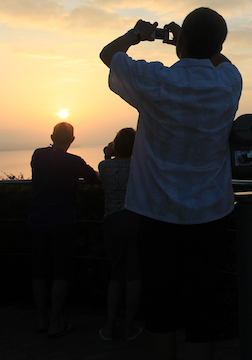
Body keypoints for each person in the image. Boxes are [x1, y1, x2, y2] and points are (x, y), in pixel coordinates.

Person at [100, 7, 242, 360]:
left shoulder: (156, 80)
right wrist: (191, 42)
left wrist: (138, 34)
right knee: (202, 311)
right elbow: (221, 60)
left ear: (183, 40)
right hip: (211, 216)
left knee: (160, 308)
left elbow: (108, 55)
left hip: (156, 215)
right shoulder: (229, 82)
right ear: (218, 46)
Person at [29, 122, 98, 338]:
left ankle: (42, 320)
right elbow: (93, 178)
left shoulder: (38, 155)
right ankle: (56, 323)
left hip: (37, 220)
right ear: (72, 139)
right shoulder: (73, 161)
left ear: (51, 136)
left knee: (39, 272)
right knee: (61, 272)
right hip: (62, 221)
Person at [98, 128, 142, 342]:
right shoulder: (140, 166)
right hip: (135, 221)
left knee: (116, 275)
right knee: (134, 276)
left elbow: (103, 172)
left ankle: (109, 328)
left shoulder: (104, 166)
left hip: (112, 222)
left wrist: (108, 154)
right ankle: (129, 328)